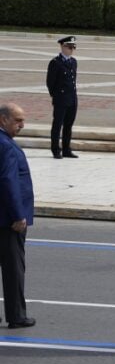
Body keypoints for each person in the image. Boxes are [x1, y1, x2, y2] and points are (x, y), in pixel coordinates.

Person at [0, 103, 36, 329]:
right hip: (8, 220)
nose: (22, 125)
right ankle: (16, 315)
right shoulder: (7, 147)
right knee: (14, 268)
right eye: (17, 120)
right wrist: (18, 215)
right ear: (3, 120)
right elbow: (8, 182)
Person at [46, 36, 79, 159]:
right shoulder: (55, 63)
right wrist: (56, 96)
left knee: (68, 125)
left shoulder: (73, 62)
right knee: (57, 125)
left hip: (72, 98)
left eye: (73, 47)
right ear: (62, 46)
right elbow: (50, 82)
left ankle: (66, 149)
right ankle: (56, 150)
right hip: (61, 98)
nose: (71, 50)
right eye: (69, 47)